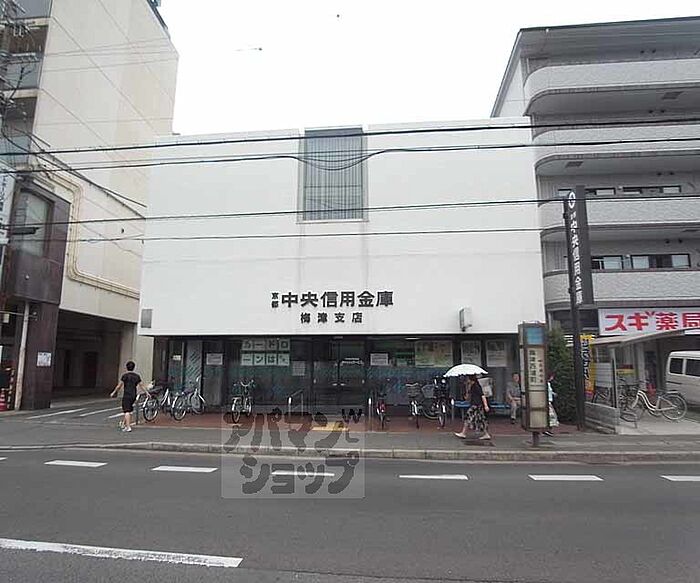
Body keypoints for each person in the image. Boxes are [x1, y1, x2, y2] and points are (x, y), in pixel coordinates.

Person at [455, 375, 491, 440]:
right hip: (475, 405)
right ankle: (486, 434)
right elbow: (467, 397)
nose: (467, 380)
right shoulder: (471, 386)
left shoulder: (476, 386)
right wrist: (467, 389)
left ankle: (463, 433)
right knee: (480, 420)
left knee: (468, 417)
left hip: (476, 405)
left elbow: (482, 396)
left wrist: (486, 405)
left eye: (467, 379)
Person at [110, 361, 143, 433]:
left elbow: (119, 386)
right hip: (133, 395)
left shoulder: (125, 376)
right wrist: (147, 393)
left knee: (126, 411)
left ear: (126, 367)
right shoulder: (137, 376)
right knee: (129, 410)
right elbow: (141, 385)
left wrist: (113, 392)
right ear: (134, 367)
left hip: (127, 395)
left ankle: (128, 427)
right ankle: (123, 423)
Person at [544, 372, 559, 437]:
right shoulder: (546, 384)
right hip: (547, 401)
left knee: (551, 416)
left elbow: (549, 391)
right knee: (551, 416)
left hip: (549, 401)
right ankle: (547, 429)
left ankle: (548, 429)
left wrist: (553, 393)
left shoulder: (548, 384)